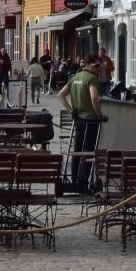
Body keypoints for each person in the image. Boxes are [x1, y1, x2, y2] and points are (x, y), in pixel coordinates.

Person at [58, 56, 105, 192]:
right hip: (91, 119)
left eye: (100, 67)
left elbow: (60, 95)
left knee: (77, 149)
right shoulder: (92, 79)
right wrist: (99, 114)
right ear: (89, 65)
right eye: (96, 66)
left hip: (78, 119)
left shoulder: (75, 77)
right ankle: (83, 181)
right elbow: (94, 97)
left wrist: (71, 111)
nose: (98, 69)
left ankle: (74, 180)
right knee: (88, 150)